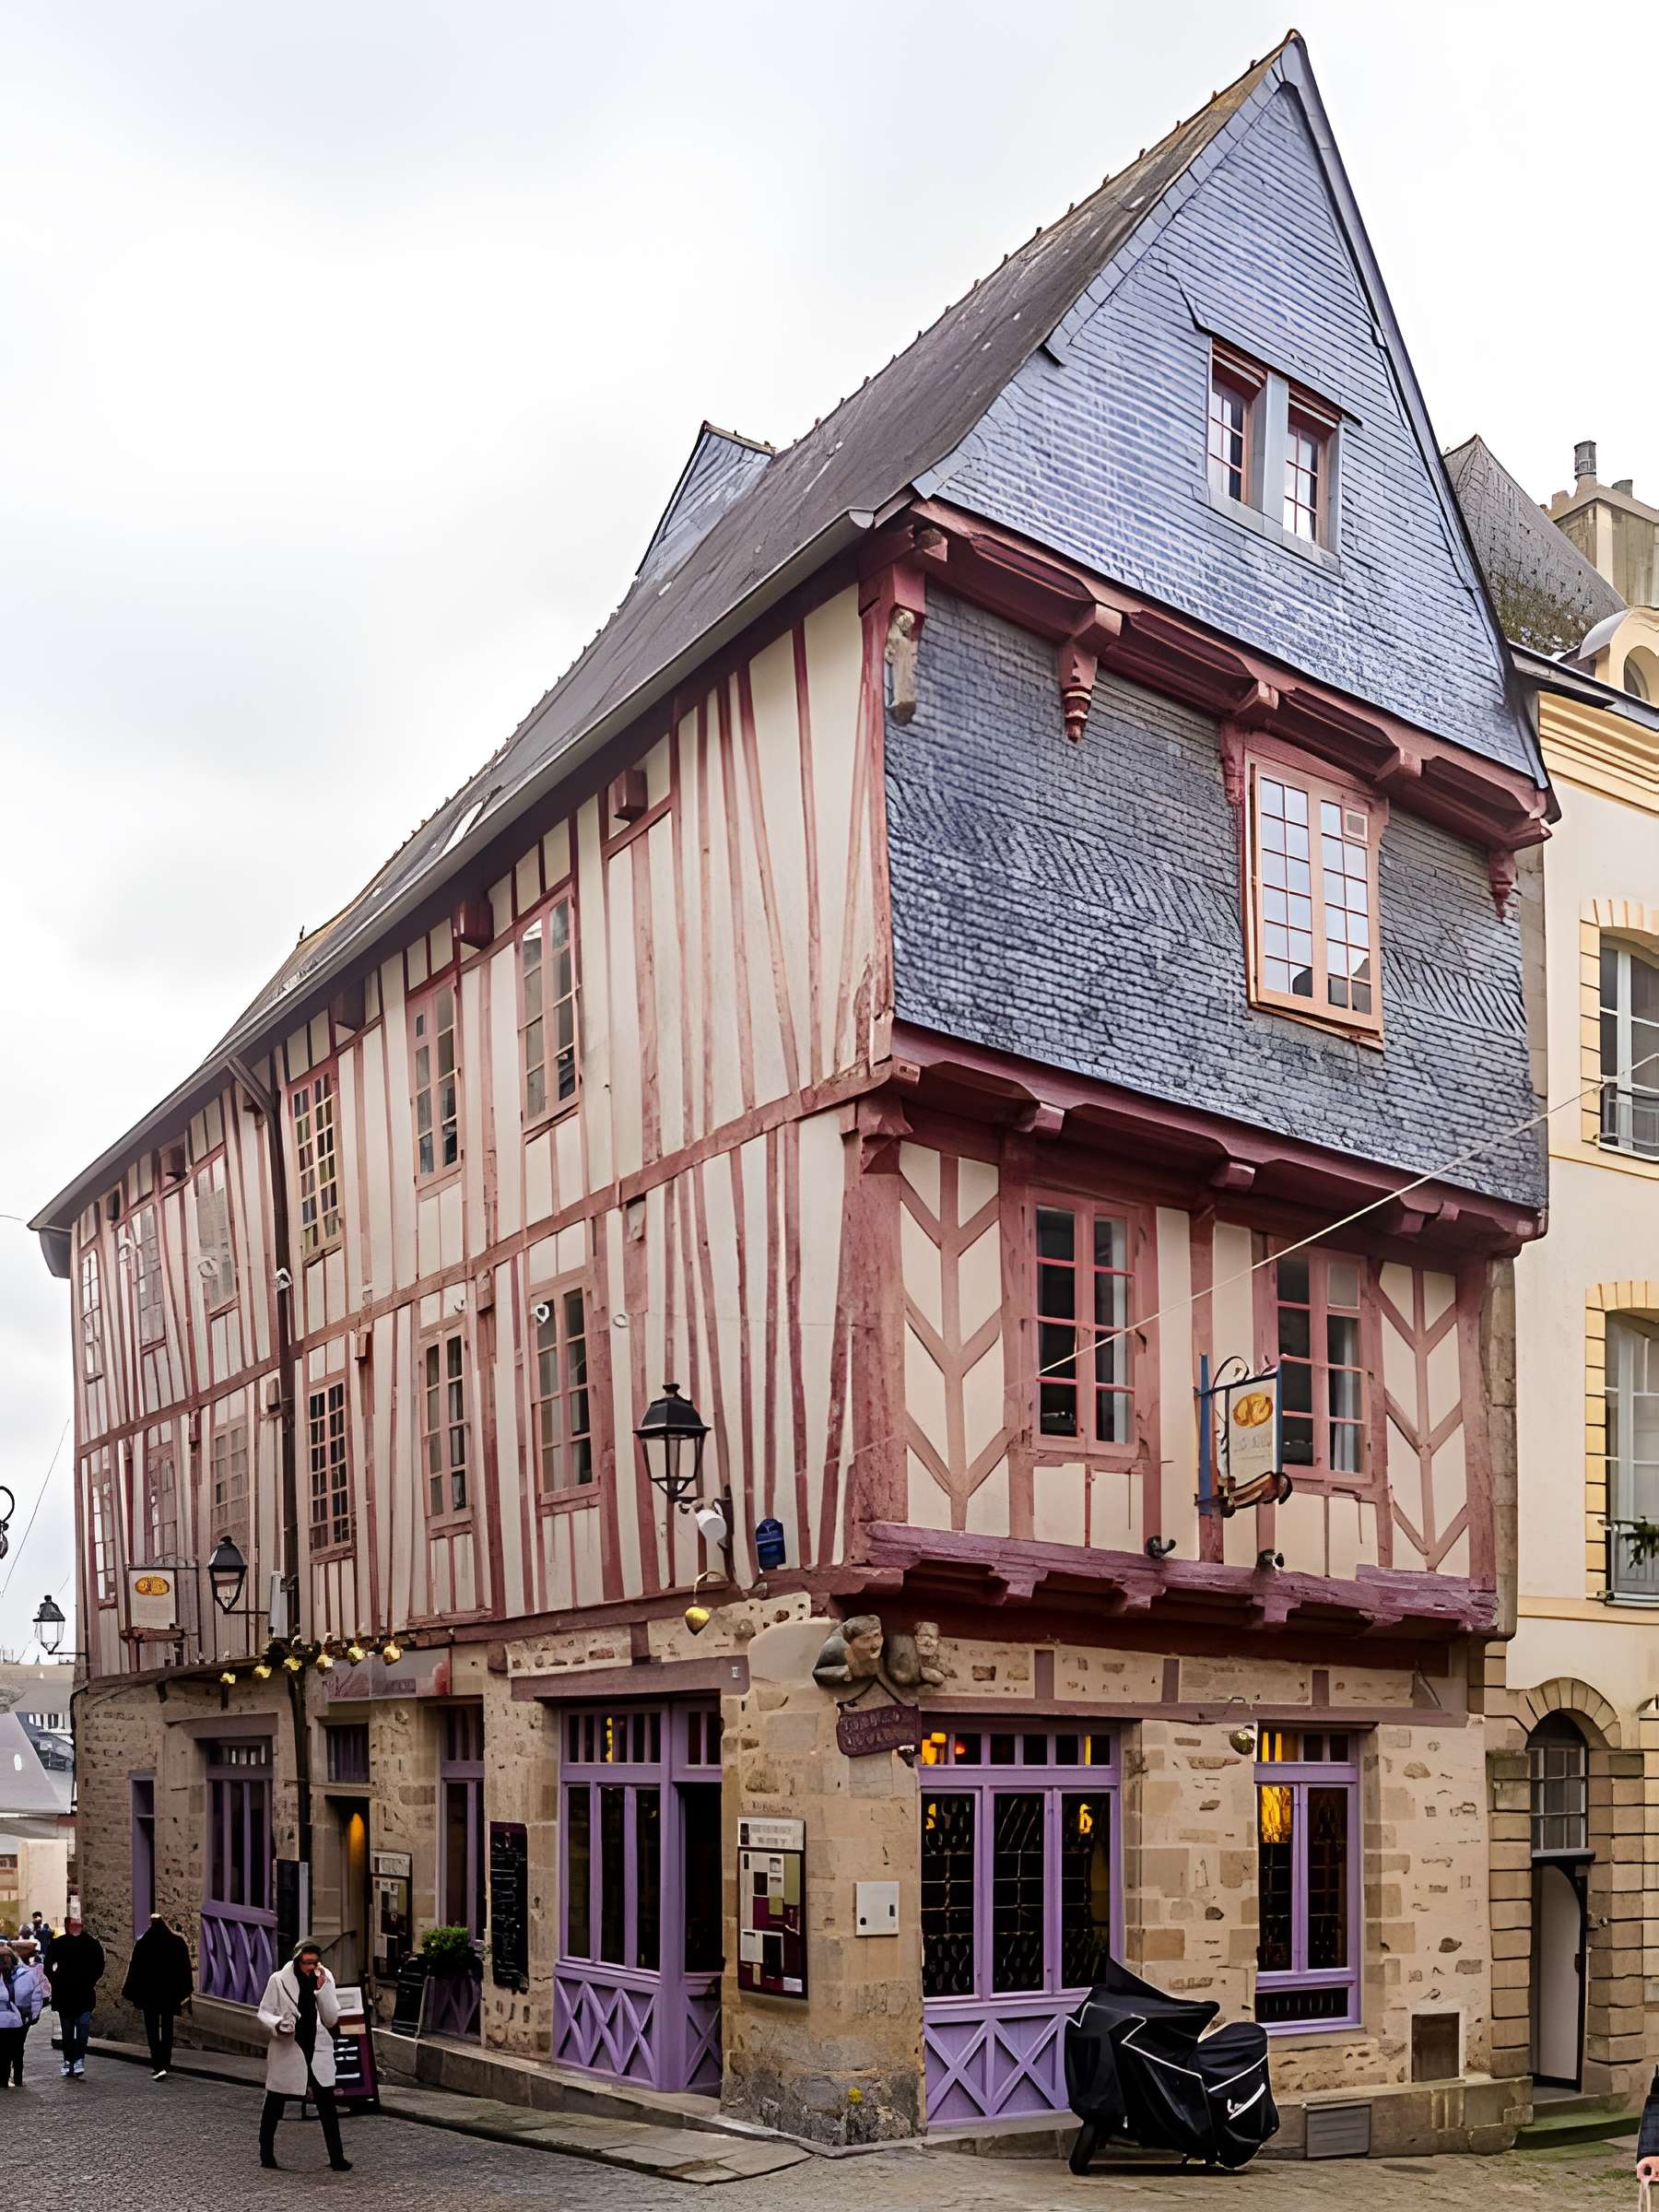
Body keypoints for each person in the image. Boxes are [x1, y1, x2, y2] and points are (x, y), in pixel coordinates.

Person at [255, 1942, 351, 2172]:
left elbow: (330, 2019)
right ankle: (266, 2154)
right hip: (289, 2048)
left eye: (314, 1962)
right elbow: (264, 2012)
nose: (310, 1967)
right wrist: (277, 2024)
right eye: (306, 1962)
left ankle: (337, 2158)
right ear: (297, 1961)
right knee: (274, 2102)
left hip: (317, 2047)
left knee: (327, 2104)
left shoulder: (325, 1977)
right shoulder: (278, 1980)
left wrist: (322, 1990)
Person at [121, 1913, 194, 2079]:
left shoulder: (143, 1944)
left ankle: (157, 2062)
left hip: (150, 1997)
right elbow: (184, 1969)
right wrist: (182, 1991)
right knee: (167, 2028)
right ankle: (165, 2062)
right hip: (169, 1995)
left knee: (152, 2030)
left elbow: (135, 1971)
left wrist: (134, 1993)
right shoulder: (176, 1943)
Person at [43, 1916, 105, 2080]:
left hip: (75, 1991)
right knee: (71, 2029)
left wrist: (56, 1980)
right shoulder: (64, 1943)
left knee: (75, 2028)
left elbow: (99, 1966)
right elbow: (47, 1966)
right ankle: (72, 2060)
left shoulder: (89, 1943)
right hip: (73, 1992)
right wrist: (56, 1980)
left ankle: (74, 2060)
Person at [0, 1943, 44, 2088]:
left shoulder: (26, 1975)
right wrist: (34, 2015)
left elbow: (36, 1996)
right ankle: (13, 2078)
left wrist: (34, 2015)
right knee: (14, 2049)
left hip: (19, 2020)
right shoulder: (27, 1975)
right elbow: (37, 1996)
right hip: (15, 2020)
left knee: (9, 2049)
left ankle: (9, 2079)